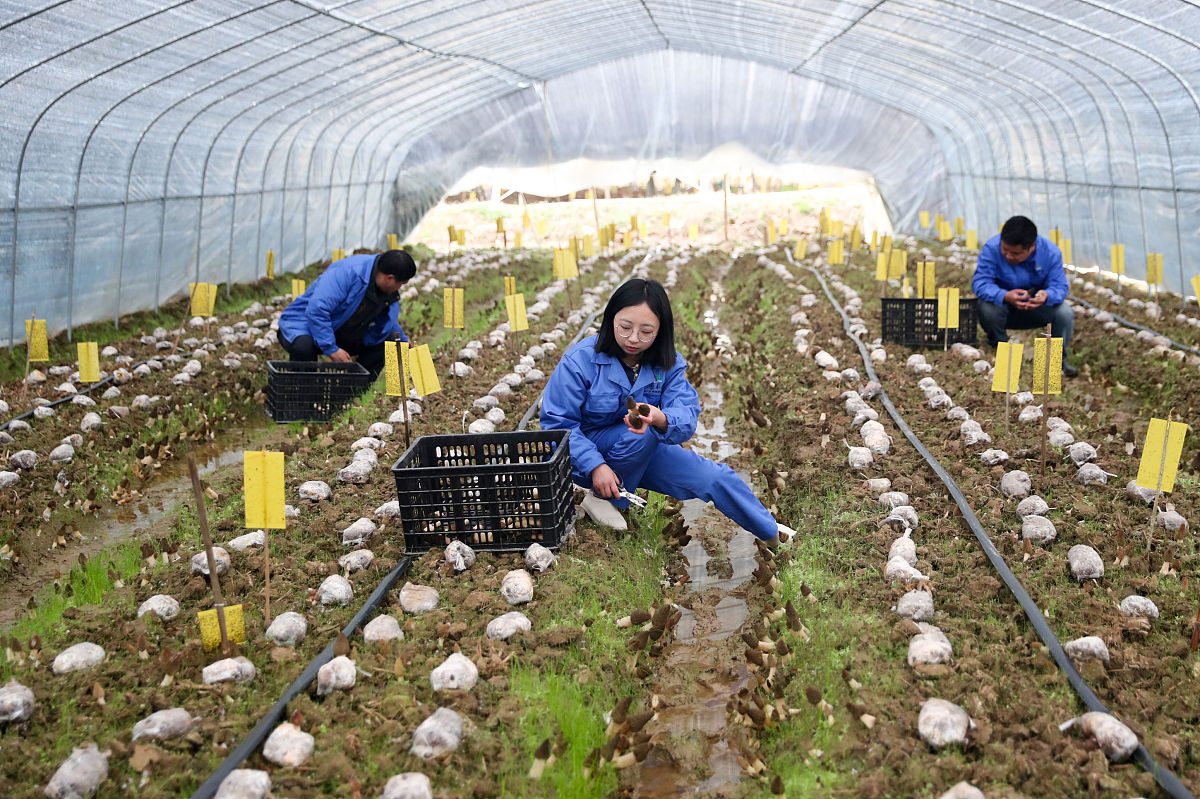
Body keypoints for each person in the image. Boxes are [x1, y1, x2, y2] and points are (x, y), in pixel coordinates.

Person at [541, 278, 796, 545]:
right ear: (610, 320)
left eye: (646, 331)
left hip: (639, 449)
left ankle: (771, 535)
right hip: (586, 456)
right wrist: (595, 465)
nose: (633, 339)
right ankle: (601, 496)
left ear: (660, 331)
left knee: (714, 477)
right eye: (625, 327)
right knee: (641, 435)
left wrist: (660, 417)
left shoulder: (667, 364)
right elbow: (558, 423)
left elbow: (686, 414)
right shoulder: (580, 361)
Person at [277, 249, 416, 378]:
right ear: (390, 278)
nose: (399, 288)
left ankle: (355, 394)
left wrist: (403, 340)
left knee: (390, 340)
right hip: (304, 325)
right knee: (303, 346)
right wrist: (331, 349)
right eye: (401, 284)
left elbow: (385, 320)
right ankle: (304, 398)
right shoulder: (348, 272)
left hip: (343, 329)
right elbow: (317, 311)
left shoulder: (384, 288)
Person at [972, 215, 1078, 377]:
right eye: (1005, 250)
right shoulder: (991, 248)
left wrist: (1046, 295)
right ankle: (999, 350)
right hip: (1002, 307)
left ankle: (1054, 365)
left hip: (1034, 309)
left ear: (1032, 247)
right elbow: (980, 282)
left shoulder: (1050, 253)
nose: (1008, 256)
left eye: (1015, 253)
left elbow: (1060, 286)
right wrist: (1005, 295)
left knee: (1064, 312)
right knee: (986, 307)